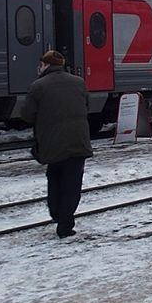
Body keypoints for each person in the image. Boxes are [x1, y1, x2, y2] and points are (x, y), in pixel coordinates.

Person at [22, 50, 93, 238]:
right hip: (78, 141)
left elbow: (27, 114)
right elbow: (87, 106)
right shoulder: (79, 82)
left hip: (52, 142)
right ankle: (65, 223)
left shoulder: (38, 86)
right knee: (72, 183)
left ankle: (56, 213)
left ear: (45, 65)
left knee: (54, 177)